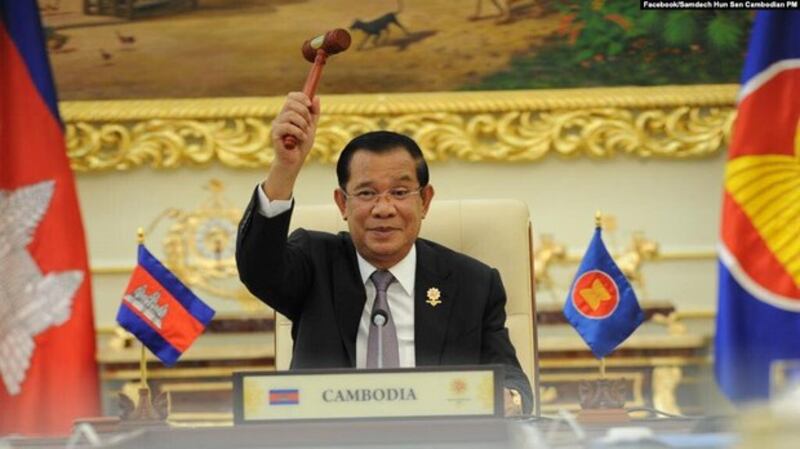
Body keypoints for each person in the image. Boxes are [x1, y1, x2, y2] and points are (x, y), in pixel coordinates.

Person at [236, 92, 533, 415]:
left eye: (400, 192)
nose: (383, 208)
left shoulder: (473, 283)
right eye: (366, 193)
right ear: (342, 204)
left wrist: (509, 400)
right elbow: (258, 268)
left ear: (425, 201)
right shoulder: (315, 263)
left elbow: (512, 380)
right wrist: (285, 167)